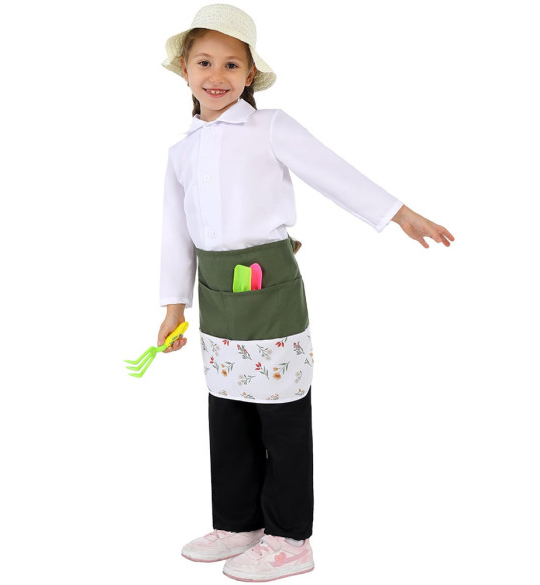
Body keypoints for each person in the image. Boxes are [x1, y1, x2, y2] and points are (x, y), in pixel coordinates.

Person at [157, 4, 454, 582]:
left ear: (250, 74)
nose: (217, 75)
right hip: (215, 292)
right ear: (185, 70)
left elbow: (332, 172)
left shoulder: (270, 127)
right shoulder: (181, 151)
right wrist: (173, 307)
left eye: (232, 64)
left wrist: (400, 214)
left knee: (282, 414)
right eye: (204, 62)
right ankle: (238, 523)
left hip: (268, 284)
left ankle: (290, 538)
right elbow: (176, 232)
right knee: (228, 410)